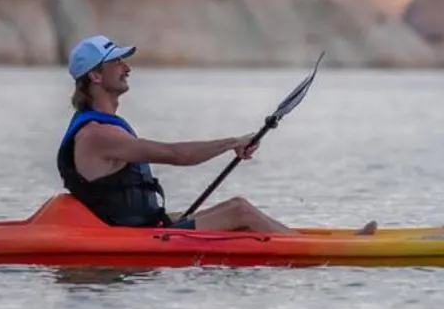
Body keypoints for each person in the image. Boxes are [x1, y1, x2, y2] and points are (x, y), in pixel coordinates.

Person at [58, 34, 295, 233]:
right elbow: (176, 155)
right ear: (95, 76)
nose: (127, 68)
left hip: (145, 224)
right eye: (117, 62)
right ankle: (312, 255)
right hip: (136, 235)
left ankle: (296, 241)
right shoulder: (96, 135)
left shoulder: (103, 128)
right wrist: (232, 143)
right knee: (240, 212)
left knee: (237, 205)